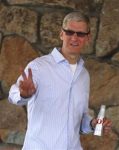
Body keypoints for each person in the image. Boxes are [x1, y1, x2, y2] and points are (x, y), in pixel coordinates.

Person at [8, 11, 112, 150]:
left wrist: (93, 124)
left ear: (88, 38)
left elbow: (79, 120)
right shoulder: (39, 66)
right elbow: (13, 95)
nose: (74, 38)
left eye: (80, 34)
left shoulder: (84, 75)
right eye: (69, 32)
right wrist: (23, 94)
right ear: (61, 34)